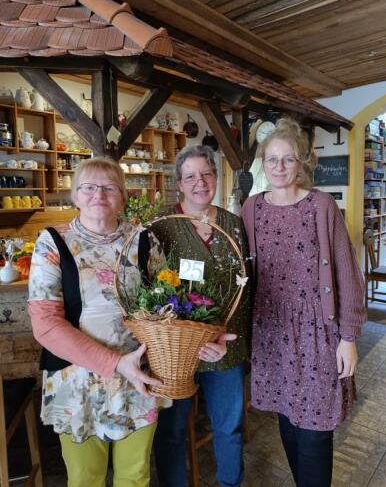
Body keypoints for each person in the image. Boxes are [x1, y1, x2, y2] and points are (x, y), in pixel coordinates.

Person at [28, 156, 231, 487]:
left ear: (122, 196)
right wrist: (114, 363)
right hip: (76, 379)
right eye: (89, 187)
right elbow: (46, 325)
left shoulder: (142, 240)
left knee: (135, 475)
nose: (99, 194)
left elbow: (169, 306)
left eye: (109, 187)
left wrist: (203, 339)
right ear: (75, 196)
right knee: (84, 478)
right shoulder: (52, 242)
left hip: (139, 376)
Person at [241, 118, 366, 487]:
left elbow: (347, 272)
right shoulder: (251, 209)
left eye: (288, 159)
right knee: (287, 418)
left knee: (314, 427)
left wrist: (349, 336)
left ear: (302, 164)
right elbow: (242, 269)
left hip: (317, 333)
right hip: (272, 332)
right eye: (272, 159)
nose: (279, 167)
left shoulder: (321, 205)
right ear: (262, 163)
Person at [152, 145, 251, 487]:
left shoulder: (234, 225)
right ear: (179, 184)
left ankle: (230, 484)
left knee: (229, 427)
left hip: (226, 348)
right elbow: (150, 291)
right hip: (178, 352)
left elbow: (246, 286)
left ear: (216, 177)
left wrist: (226, 335)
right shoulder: (162, 225)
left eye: (206, 173)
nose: (200, 182)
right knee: (172, 431)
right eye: (190, 176)